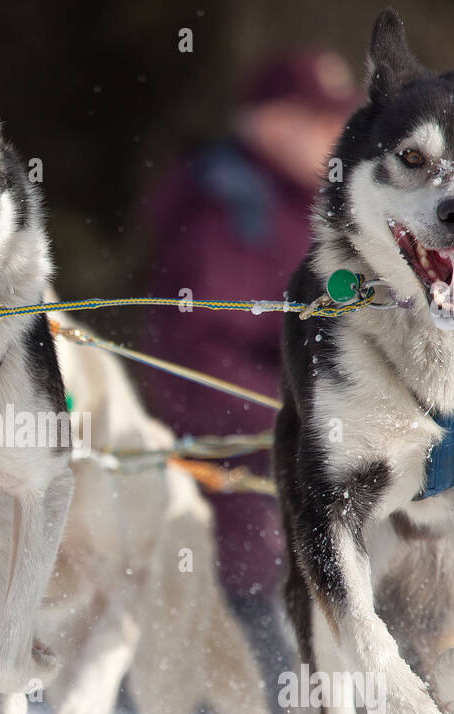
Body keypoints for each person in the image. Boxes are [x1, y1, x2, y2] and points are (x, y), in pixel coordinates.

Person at [141, 50, 359, 660]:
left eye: (339, 121)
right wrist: (296, 418)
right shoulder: (232, 212)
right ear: (267, 121)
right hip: (238, 490)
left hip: (312, 471)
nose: (333, 137)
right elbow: (192, 356)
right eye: (316, 120)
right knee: (254, 690)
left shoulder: (313, 205)